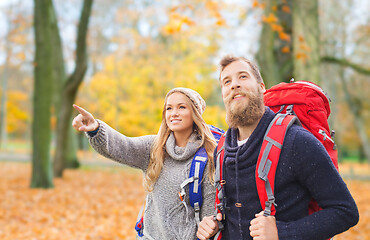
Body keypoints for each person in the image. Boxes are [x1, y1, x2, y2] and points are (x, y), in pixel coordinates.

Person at [196, 56, 359, 240]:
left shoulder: (296, 141)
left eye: (243, 77)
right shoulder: (222, 149)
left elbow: (345, 211)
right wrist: (213, 224)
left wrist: (282, 232)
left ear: (261, 87)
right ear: (223, 93)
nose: (234, 84)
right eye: (227, 81)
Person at [72, 87, 218, 240]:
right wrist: (95, 128)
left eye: (182, 107)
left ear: (195, 113)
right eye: (169, 108)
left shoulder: (207, 157)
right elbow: (122, 146)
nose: (174, 113)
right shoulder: (154, 148)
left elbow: (208, 216)